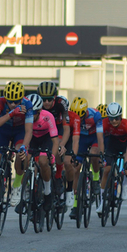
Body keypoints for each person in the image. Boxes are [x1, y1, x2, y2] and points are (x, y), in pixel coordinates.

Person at [0, 81, 34, 220]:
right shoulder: (1, 102)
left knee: (21, 155)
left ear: (21, 99)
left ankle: (16, 186)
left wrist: (24, 146)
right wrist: (11, 113)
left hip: (19, 132)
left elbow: (28, 131)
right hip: (3, 130)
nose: (13, 104)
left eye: (16, 102)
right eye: (10, 102)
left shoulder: (28, 105)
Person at [37, 81, 73, 210]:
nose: (46, 103)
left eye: (49, 99)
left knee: (58, 151)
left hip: (58, 128)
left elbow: (67, 129)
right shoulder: (36, 105)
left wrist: (61, 145)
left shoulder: (61, 104)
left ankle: (58, 176)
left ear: (55, 98)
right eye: (43, 100)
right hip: (44, 130)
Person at [22, 94, 59, 212]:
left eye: (34, 113)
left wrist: (52, 157)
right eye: (29, 113)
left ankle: (47, 193)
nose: (31, 116)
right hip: (32, 138)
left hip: (46, 139)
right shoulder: (24, 116)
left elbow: (55, 141)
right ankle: (26, 191)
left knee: (43, 162)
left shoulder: (48, 117)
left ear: (39, 111)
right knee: (25, 160)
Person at [69, 97, 104, 220]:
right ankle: (75, 204)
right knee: (75, 168)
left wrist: (102, 153)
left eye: (81, 116)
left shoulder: (95, 115)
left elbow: (100, 137)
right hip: (82, 139)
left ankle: (95, 179)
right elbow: (73, 138)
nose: (78, 119)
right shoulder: (71, 117)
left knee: (94, 154)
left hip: (94, 137)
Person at [96, 102, 127, 216]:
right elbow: (101, 141)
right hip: (112, 144)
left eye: (116, 118)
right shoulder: (103, 123)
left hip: (126, 144)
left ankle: (125, 183)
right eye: (111, 118)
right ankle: (102, 202)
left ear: (121, 116)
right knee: (106, 170)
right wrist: (102, 154)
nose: (114, 121)